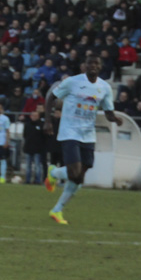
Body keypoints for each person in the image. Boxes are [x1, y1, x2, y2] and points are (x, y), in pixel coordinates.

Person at [43, 56, 118, 225]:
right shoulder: (72, 82)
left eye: (96, 63)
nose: (92, 66)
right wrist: (47, 121)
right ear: (85, 66)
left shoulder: (104, 87)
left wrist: (115, 118)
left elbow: (108, 111)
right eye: (90, 63)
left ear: (100, 67)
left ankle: (56, 208)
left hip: (88, 134)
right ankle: (53, 173)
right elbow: (50, 97)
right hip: (70, 131)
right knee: (74, 172)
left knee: (79, 178)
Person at [22, 109, 46, 185]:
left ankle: (38, 180)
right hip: (28, 148)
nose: (34, 117)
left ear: (38, 117)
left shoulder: (41, 125)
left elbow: (43, 137)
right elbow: (25, 135)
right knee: (28, 165)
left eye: (36, 116)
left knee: (37, 165)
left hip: (38, 149)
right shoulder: (27, 124)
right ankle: (27, 180)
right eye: (33, 115)